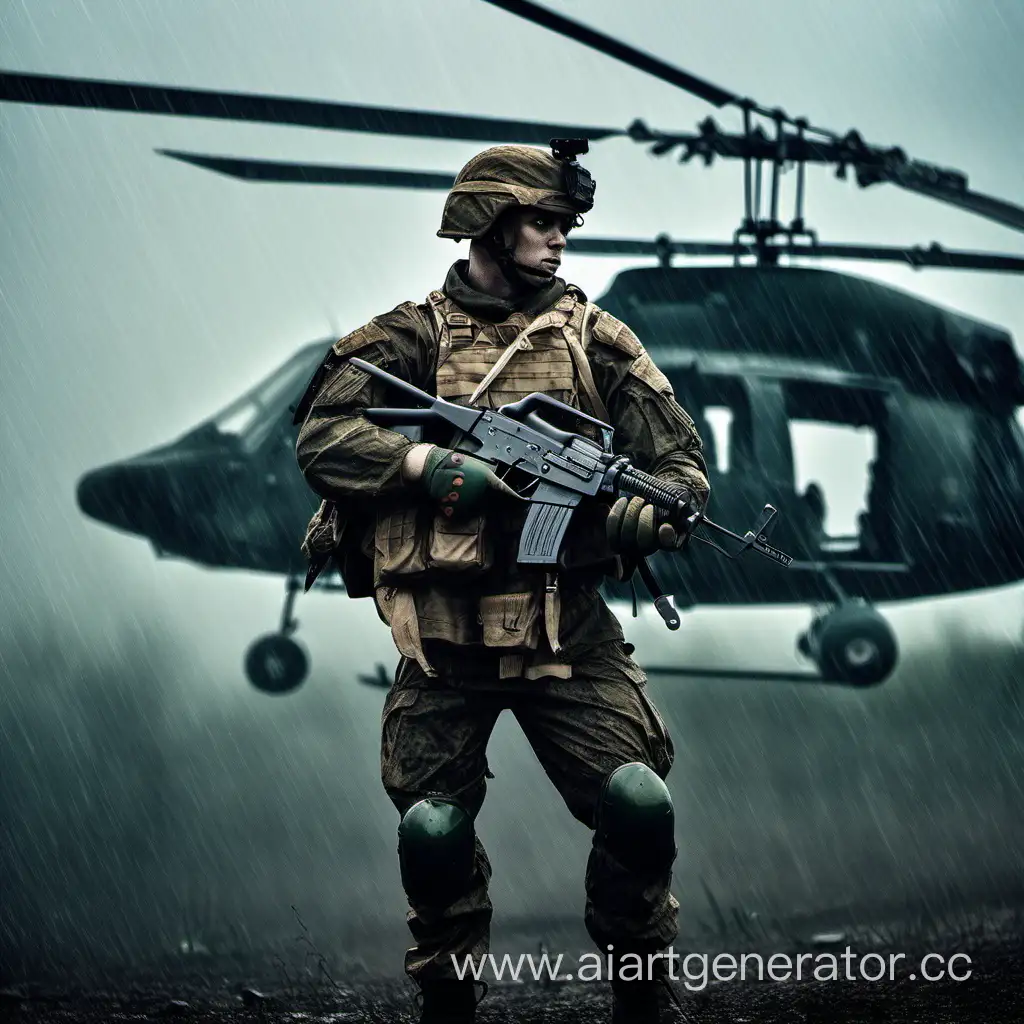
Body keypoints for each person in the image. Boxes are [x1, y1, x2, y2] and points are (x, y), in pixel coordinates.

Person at [293, 142, 710, 1023]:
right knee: (432, 832)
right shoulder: (412, 335)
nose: (560, 243)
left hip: (569, 632)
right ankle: (449, 1001)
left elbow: (679, 465)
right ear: (491, 224)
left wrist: (655, 512)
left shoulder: (599, 341)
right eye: (543, 223)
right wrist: (423, 465)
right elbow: (321, 435)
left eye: (566, 226)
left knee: (639, 805)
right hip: (444, 639)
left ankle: (641, 991)